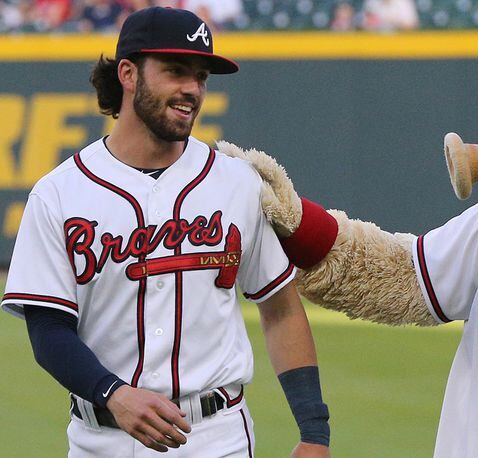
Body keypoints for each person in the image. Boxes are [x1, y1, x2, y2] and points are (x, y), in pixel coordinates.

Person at [1, 7, 330, 457]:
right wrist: (112, 393)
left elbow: (281, 308)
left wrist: (314, 431)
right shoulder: (60, 193)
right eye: (176, 71)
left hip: (216, 436)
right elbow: (48, 327)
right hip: (102, 438)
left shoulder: (236, 182)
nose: (191, 90)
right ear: (128, 73)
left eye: (201, 76)